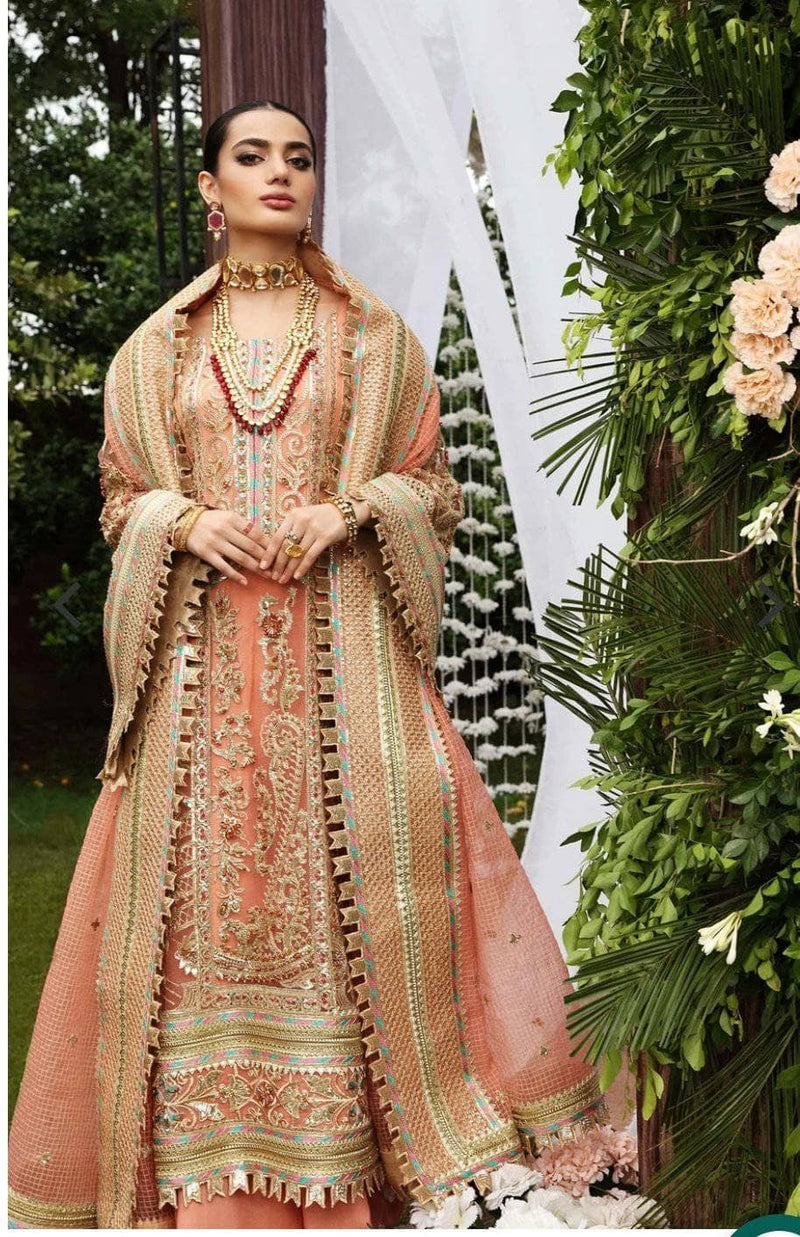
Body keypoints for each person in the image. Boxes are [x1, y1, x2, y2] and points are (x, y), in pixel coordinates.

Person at [8, 100, 609, 1231]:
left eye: (298, 157)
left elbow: (433, 489)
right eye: (252, 157)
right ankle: (217, 1185)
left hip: (345, 674)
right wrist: (184, 522)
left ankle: (362, 1169)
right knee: (207, 913)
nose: (280, 173)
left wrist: (351, 510)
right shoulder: (156, 349)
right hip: (200, 685)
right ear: (211, 187)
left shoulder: (375, 340)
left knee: (353, 905)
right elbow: (123, 498)